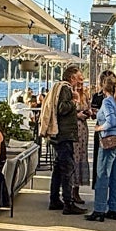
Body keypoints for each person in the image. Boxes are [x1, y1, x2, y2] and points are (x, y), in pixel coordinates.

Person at [40, 65, 87, 214]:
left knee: (58, 168)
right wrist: (74, 101)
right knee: (67, 168)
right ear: (72, 77)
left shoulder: (58, 86)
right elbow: (62, 108)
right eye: (79, 76)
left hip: (57, 134)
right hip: (64, 134)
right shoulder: (66, 89)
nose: (81, 78)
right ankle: (68, 203)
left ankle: (54, 199)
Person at [88, 74, 116, 222]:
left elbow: (111, 120)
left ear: (103, 87)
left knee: (102, 173)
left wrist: (99, 128)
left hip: (110, 138)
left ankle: (99, 209)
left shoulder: (107, 102)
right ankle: (114, 207)